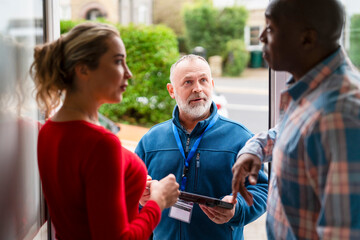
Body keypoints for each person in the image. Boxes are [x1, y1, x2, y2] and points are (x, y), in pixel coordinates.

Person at [30, 22, 180, 240]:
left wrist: (129, 186)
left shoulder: (49, 131)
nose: (128, 74)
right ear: (83, 69)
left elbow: (82, 206)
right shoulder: (100, 143)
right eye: (118, 61)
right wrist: (158, 201)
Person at [231, 0, 360, 239]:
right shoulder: (312, 92)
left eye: (270, 28)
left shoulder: (342, 116)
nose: (261, 37)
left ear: (307, 39)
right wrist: (254, 149)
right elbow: (288, 136)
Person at [135, 54, 268, 240]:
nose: (197, 89)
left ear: (212, 85)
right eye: (188, 82)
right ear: (172, 90)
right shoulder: (151, 140)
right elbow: (130, 193)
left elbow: (262, 189)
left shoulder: (241, 138)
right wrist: (140, 199)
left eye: (203, 80)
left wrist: (237, 210)